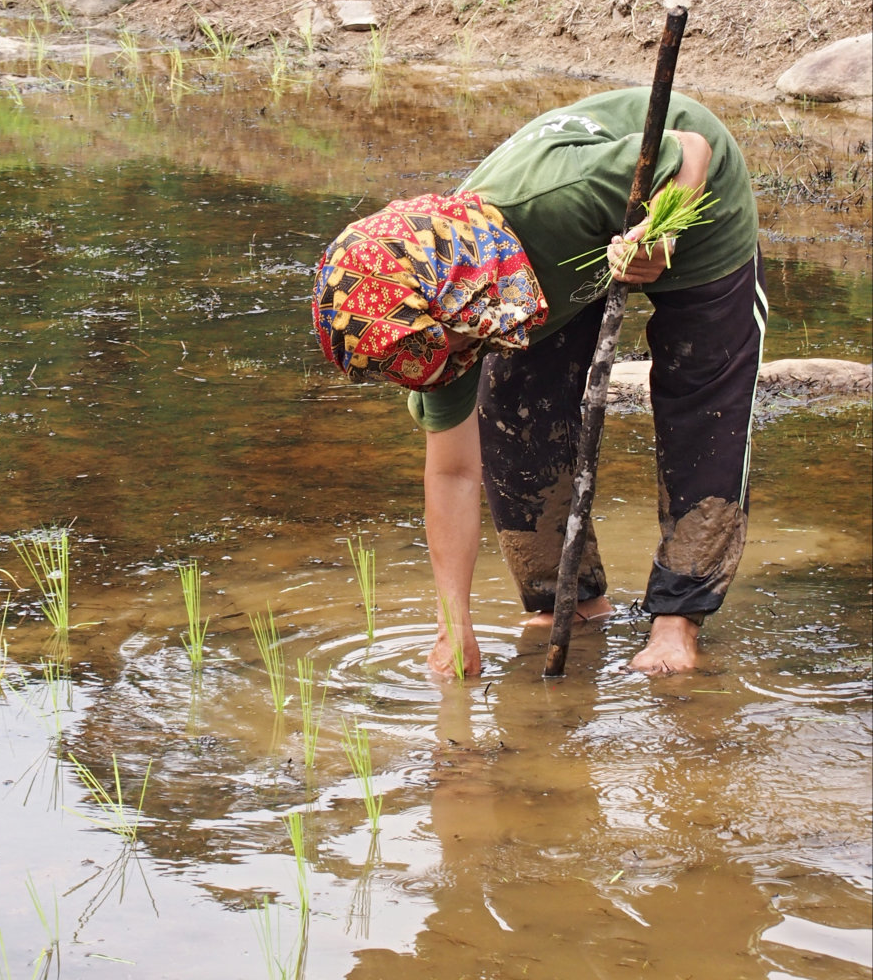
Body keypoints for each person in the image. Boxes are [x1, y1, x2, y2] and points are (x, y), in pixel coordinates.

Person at [312, 88, 765, 676]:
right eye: (442, 351)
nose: (454, 357)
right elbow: (452, 472)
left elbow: (690, 149)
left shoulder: (555, 197)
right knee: (513, 409)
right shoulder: (428, 328)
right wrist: (455, 625)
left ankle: (677, 622)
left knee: (701, 407)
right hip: (567, 251)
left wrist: (659, 234)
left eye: (453, 341)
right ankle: (569, 603)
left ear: (460, 295)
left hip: (690, 201)